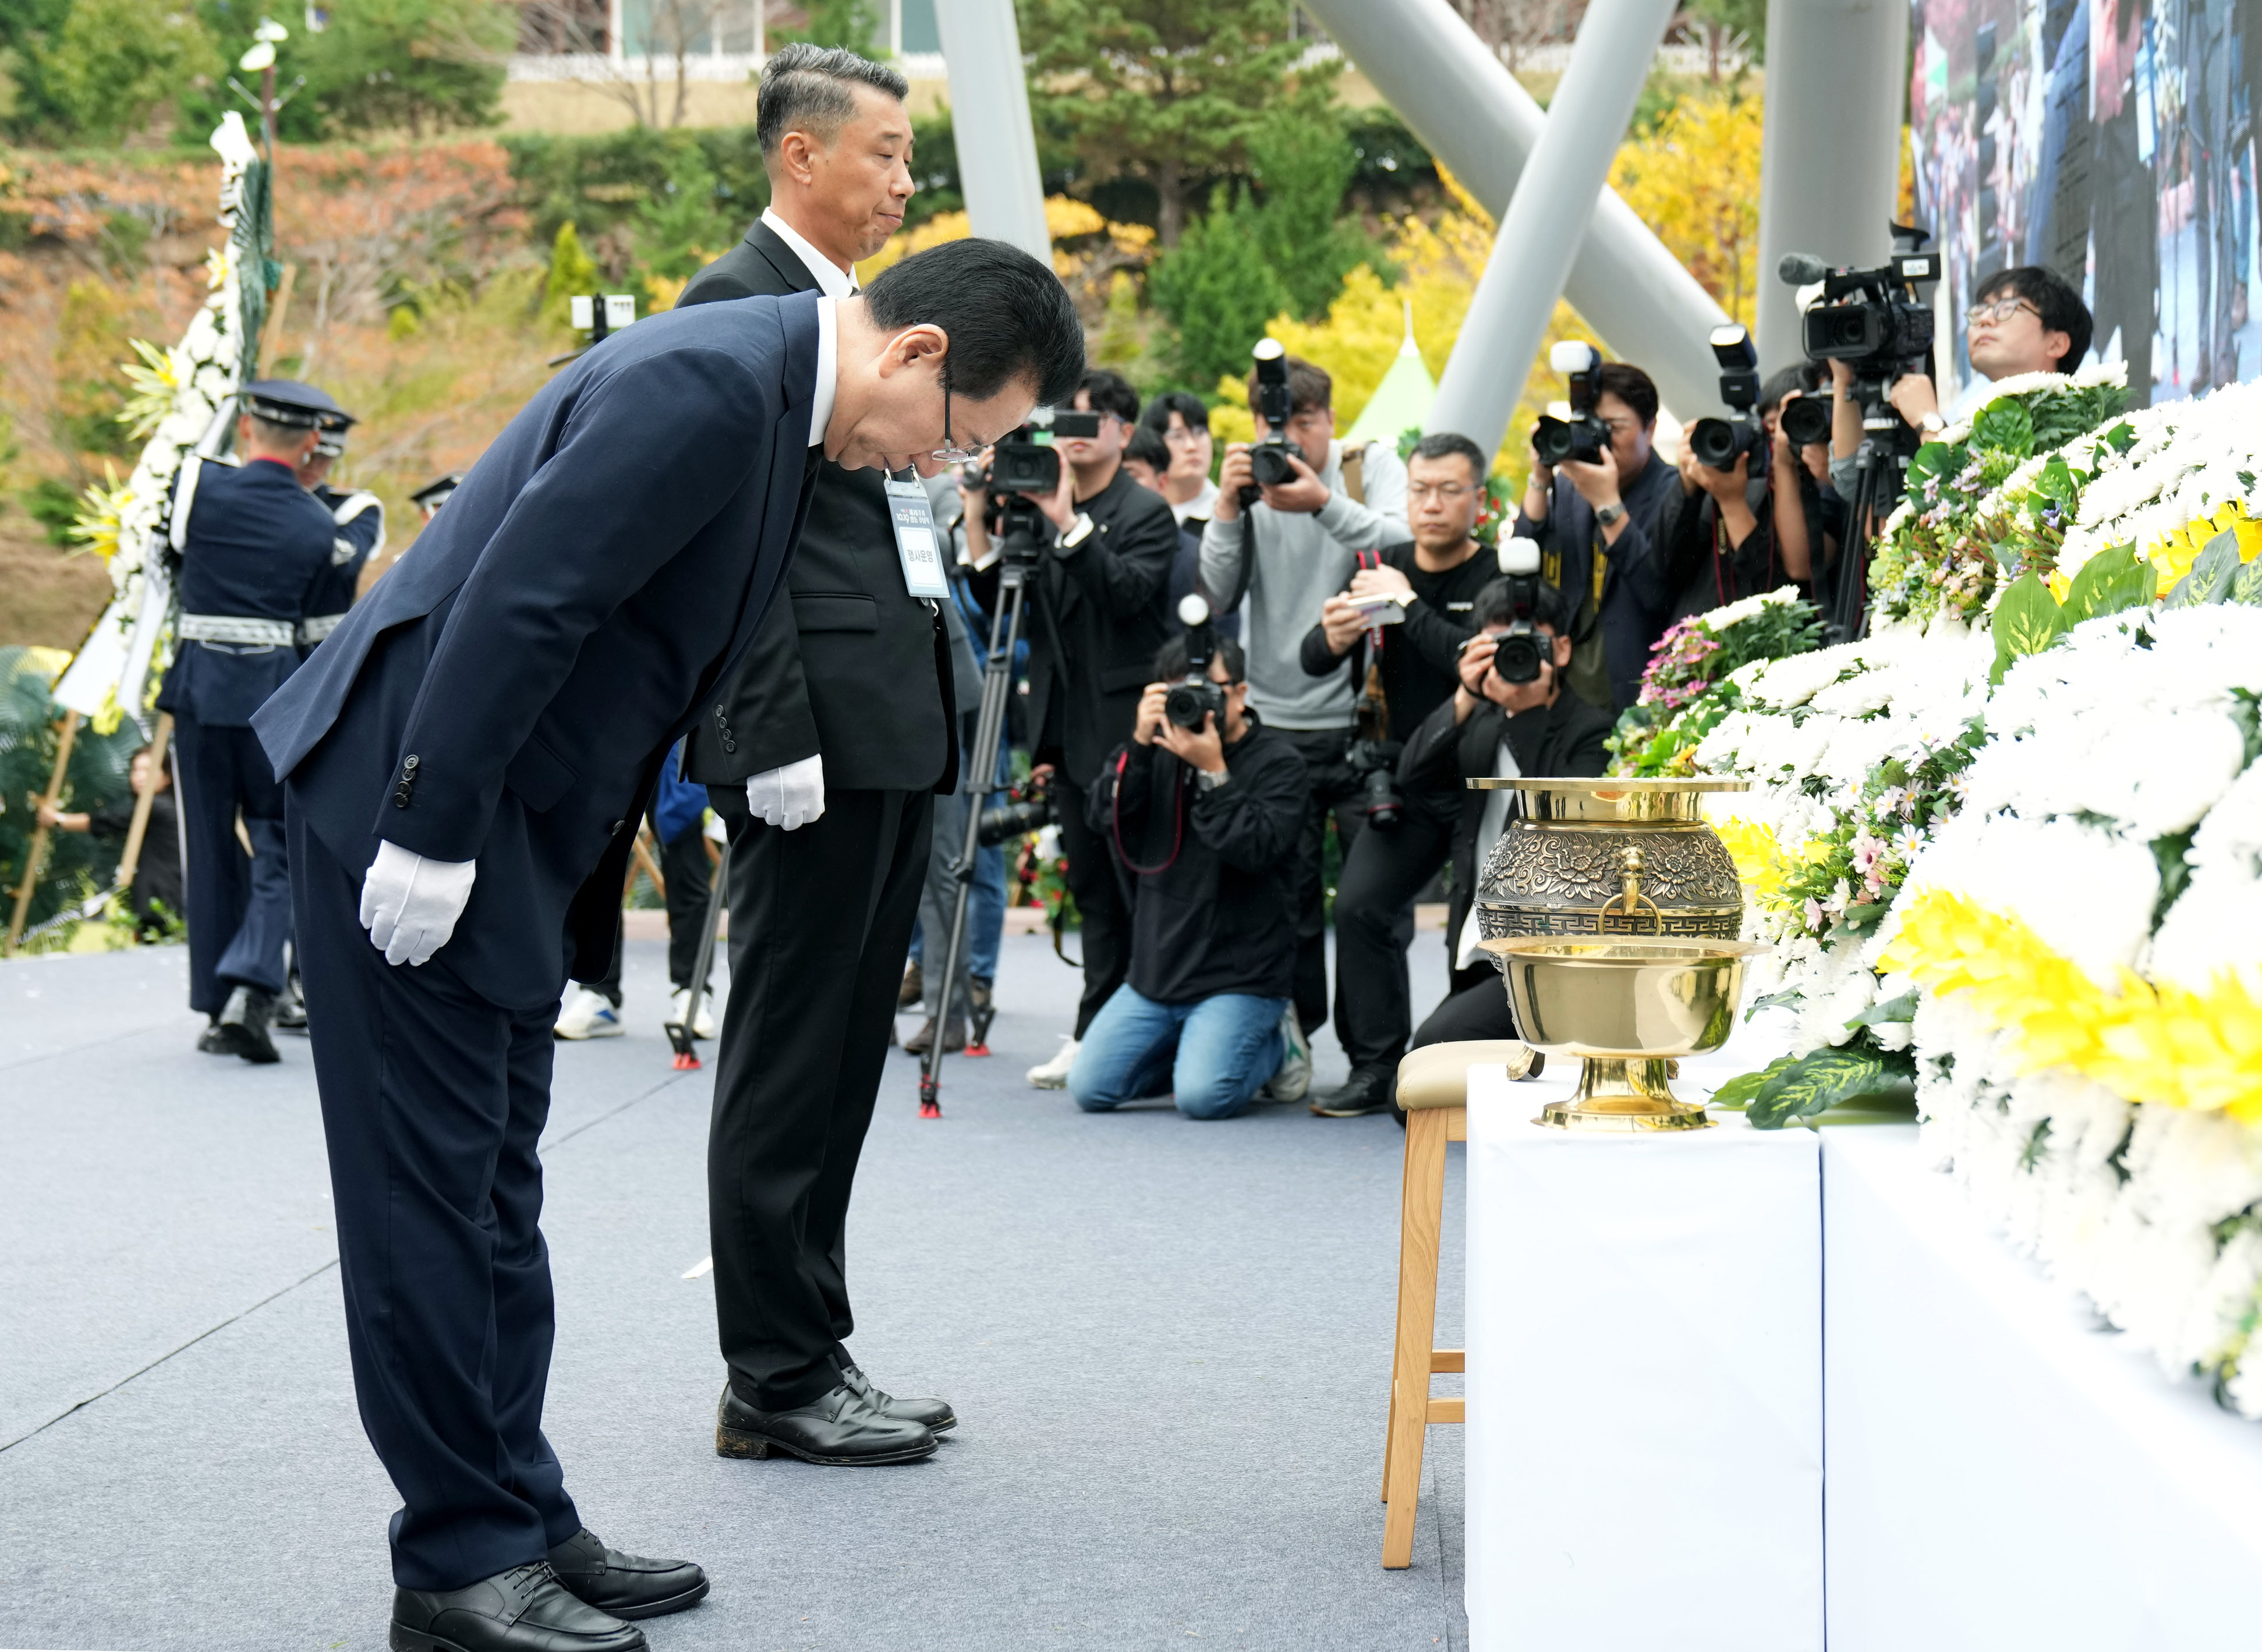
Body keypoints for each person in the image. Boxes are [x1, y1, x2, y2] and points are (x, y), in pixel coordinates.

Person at [251, 236, 1083, 1652]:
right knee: (427, 1207)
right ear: (917, 354)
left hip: (507, 825)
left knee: (493, 1190)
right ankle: (456, 1563)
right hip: (421, 814)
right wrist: (430, 827)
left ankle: (516, 1507)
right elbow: (526, 600)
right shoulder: (711, 380)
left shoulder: (774, 398)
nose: (944, 466)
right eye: (961, 437)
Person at [656, 43, 975, 1468]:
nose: (907, 180)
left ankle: (814, 1343)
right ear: (803, 157)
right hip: (813, 744)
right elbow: (737, 545)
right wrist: (767, 727)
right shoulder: (739, 306)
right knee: (787, 1054)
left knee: (846, 1049)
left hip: (890, 725)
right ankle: (771, 1375)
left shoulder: (855, 309)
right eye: (887, 154)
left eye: (911, 157)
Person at [961, 367, 1181, 1089]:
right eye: (1065, 423)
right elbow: (1003, 601)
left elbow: (1126, 594)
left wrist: (1065, 520)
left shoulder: (1146, 510)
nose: (1073, 436)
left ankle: (1137, 1035)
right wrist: (978, 511)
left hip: (1129, 735)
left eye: (1089, 423)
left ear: (1122, 431)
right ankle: (1097, 1031)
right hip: (1066, 736)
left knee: (1134, 892)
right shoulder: (1032, 504)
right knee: (1091, 892)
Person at [1198, 353, 1410, 1045]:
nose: (1289, 440)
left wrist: (1322, 501)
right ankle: (1293, 1040)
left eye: (1305, 423)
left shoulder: (1366, 466)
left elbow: (1406, 544)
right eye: (1274, 424)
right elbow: (1218, 591)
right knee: (1285, 901)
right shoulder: (1248, 483)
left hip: (1362, 721)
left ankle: (1371, 1056)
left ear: (1330, 422)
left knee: (1369, 906)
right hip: (1277, 721)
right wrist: (1227, 507)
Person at [1299, 432, 1496, 1116]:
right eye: (1419, 489)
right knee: (1359, 906)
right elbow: (1313, 659)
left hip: (1482, 786)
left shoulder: (1496, 578)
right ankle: (1374, 1065)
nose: (1431, 504)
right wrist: (1334, 634)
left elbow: (1479, 665)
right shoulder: (1379, 563)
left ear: (1479, 500)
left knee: (1468, 930)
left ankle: (1455, 1069)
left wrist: (1409, 606)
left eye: (1448, 490)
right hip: (1403, 782)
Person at [159, 378, 346, 1064]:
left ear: (245, 427)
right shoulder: (319, 524)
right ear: (308, 445)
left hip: (199, 690)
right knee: (278, 845)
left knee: (207, 847)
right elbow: (313, 629)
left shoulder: (196, 492)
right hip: (272, 696)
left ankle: (216, 1003)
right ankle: (252, 987)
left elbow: (168, 563)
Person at [1069, 627, 1307, 1119]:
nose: (1195, 704)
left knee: (1203, 1097)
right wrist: (1138, 743)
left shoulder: (1279, 762)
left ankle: (1277, 1043)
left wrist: (1214, 771)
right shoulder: (1155, 750)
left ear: (1240, 693)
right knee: (1090, 1089)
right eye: (1180, 692)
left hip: (1240, 975)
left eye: (1207, 690)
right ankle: (1198, 1045)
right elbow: (1102, 817)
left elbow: (1256, 848)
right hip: (1159, 973)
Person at [1393, 574, 1612, 1094]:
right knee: (1414, 1076)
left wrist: (1526, 708)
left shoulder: (1591, 729)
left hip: (1547, 954)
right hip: (1478, 943)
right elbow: (1413, 778)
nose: (1513, 657)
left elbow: (1561, 832)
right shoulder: (1481, 720)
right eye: (1499, 645)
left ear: (1560, 648)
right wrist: (1465, 696)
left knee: (1428, 1058)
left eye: (1527, 643)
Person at [1514, 358, 1682, 716]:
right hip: (1568, 691)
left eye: (1613, 427)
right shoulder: (1569, 486)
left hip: (1633, 691)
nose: (1598, 439)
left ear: (1650, 429)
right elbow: (1522, 556)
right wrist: (1540, 479)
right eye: (1589, 426)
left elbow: (1656, 592)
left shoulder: (1673, 492)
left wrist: (1608, 504)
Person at [1835, 263, 2094, 452]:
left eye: (2006, 308)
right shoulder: (1977, 427)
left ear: (2056, 343)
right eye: (1980, 309)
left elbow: (1982, 520)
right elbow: (1861, 508)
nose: (1984, 319)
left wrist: (1929, 422)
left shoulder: (2081, 431)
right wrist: (1843, 382)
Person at [554, 752, 717, 1041]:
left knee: (685, 865)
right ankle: (600, 994)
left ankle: (693, 990)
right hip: (618, 733)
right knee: (599, 866)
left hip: (677, 738)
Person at [1666, 367, 1821, 620]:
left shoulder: (1821, 492)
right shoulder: (1730, 481)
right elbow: (1665, 568)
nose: (1777, 442)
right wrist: (1687, 487)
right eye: (1769, 430)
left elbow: (1777, 591)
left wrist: (1732, 503)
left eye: (1784, 428)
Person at [36, 741, 182, 938]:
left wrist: (58, 820)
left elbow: (107, 821)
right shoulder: (166, 806)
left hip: (165, 900)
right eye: (136, 770)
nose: (139, 776)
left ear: (167, 776)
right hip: (163, 900)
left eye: (148, 770)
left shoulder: (157, 807)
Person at [296, 415, 384, 652]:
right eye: (310, 456)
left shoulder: (354, 508)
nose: (315, 466)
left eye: (325, 458)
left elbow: (343, 562)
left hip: (321, 650)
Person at [1139, 389, 1219, 526]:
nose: (1191, 446)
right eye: (1177, 436)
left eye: (1199, 433)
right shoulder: (1138, 515)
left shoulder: (1229, 513)